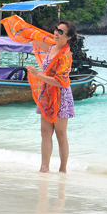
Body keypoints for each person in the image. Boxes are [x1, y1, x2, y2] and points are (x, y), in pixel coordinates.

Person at [25, 20, 77, 174]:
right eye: (56, 29)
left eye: (61, 32)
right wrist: (25, 33)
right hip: (47, 93)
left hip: (61, 94)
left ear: (68, 37)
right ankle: (44, 167)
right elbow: (35, 40)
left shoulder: (66, 55)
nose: (56, 33)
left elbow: (59, 81)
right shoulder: (52, 47)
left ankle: (63, 170)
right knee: (45, 132)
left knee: (61, 134)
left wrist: (37, 75)